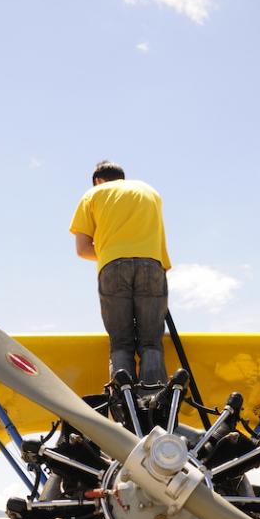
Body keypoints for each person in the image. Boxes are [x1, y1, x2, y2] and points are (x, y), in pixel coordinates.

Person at [69, 160, 171, 386]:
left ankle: (124, 404)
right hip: (152, 265)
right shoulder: (149, 191)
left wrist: (111, 251)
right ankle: (153, 400)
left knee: (121, 343)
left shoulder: (93, 194)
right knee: (151, 343)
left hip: (112, 267)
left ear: (98, 180)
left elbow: (83, 248)